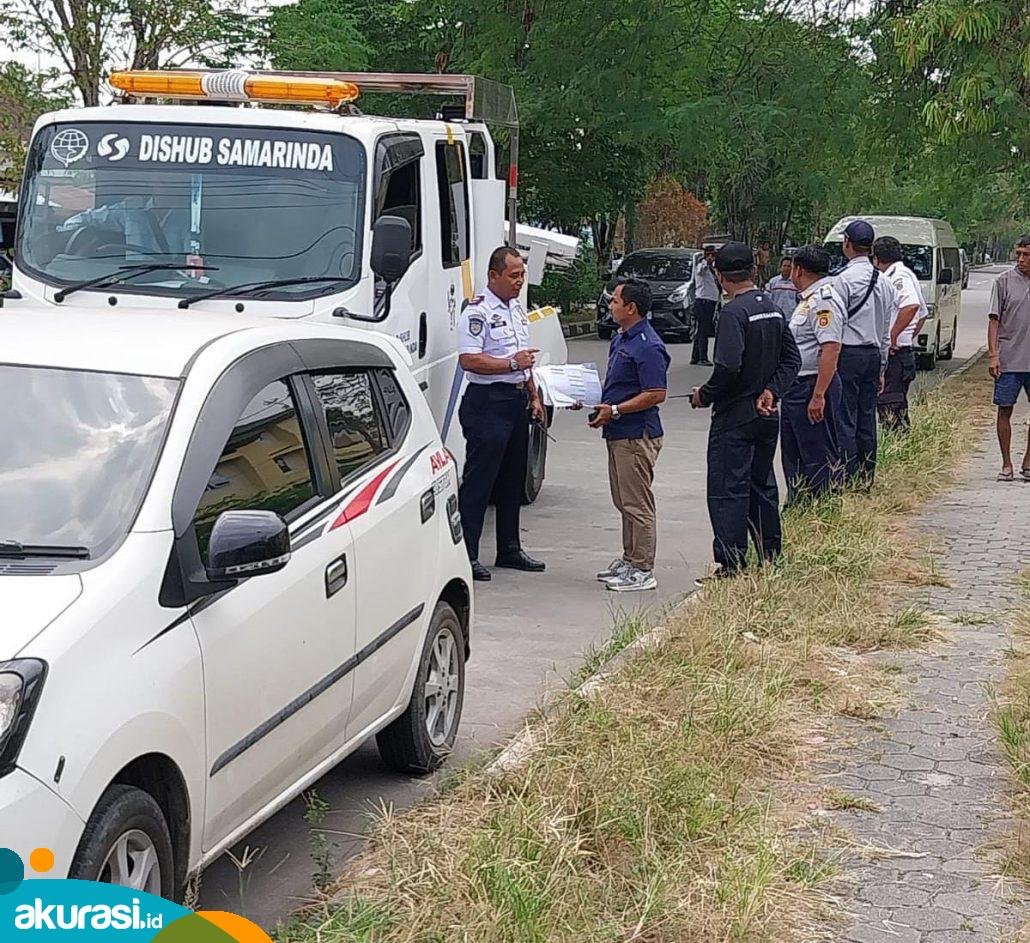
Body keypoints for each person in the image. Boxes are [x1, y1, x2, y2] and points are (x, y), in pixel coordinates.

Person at [691, 242, 801, 579]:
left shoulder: (733, 313)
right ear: (753, 271)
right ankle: (770, 554)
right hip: (766, 412)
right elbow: (792, 359)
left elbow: (728, 366)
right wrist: (772, 390)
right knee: (762, 483)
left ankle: (731, 563)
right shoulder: (772, 308)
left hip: (735, 414)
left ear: (720, 275)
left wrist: (705, 395)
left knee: (728, 488)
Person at [456, 246, 547, 581]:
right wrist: (511, 364)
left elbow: (524, 359)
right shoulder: (477, 312)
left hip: (516, 399)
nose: (519, 281)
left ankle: (509, 549)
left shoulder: (516, 310)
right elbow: (469, 359)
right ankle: (466, 554)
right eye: (513, 276)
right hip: (487, 402)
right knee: (480, 481)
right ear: (494, 276)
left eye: (522, 275)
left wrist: (533, 395)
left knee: (513, 479)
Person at [590, 277, 670, 592]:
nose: (610, 305)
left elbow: (656, 393)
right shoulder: (621, 339)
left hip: (637, 435)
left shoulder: (648, 346)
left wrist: (616, 410)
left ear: (631, 308)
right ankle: (630, 558)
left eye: (615, 301)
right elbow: (618, 384)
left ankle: (643, 568)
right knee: (623, 500)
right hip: (618, 432)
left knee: (637, 503)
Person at [832, 220, 896, 485]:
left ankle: (847, 475)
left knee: (845, 417)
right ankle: (866, 475)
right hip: (872, 355)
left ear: (847, 243)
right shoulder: (885, 282)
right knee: (867, 416)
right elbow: (885, 330)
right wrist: (882, 366)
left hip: (848, 355)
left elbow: (835, 327)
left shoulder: (842, 281)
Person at [780, 245, 846, 500]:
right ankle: (800, 503)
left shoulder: (822, 300)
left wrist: (818, 395)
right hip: (797, 386)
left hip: (812, 385)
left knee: (816, 452)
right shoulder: (808, 299)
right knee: (795, 452)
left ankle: (823, 504)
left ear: (798, 270)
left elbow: (831, 348)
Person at [873, 236, 927, 430]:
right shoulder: (903, 274)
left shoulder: (898, 277)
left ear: (876, 259)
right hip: (901, 352)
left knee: (891, 409)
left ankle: (899, 444)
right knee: (893, 408)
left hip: (896, 355)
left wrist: (894, 336)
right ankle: (900, 443)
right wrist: (907, 335)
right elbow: (922, 315)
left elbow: (911, 306)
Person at [988, 234, 1030, 481]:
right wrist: (993, 355)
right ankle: (1006, 463)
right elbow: (994, 321)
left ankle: (1028, 461)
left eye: (1027, 255)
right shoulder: (1003, 282)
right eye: (1019, 254)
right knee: (1004, 409)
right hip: (1009, 359)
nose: (1021, 259)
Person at [691, 245, 720, 365]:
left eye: (713, 255)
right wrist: (707, 262)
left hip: (710, 301)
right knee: (703, 331)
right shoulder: (701, 265)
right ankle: (702, 358)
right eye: (710, 255)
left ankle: (695, 357)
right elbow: (700, 270)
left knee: (701, 331)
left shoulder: (712, 268)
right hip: (704, 301)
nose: (712, 257)